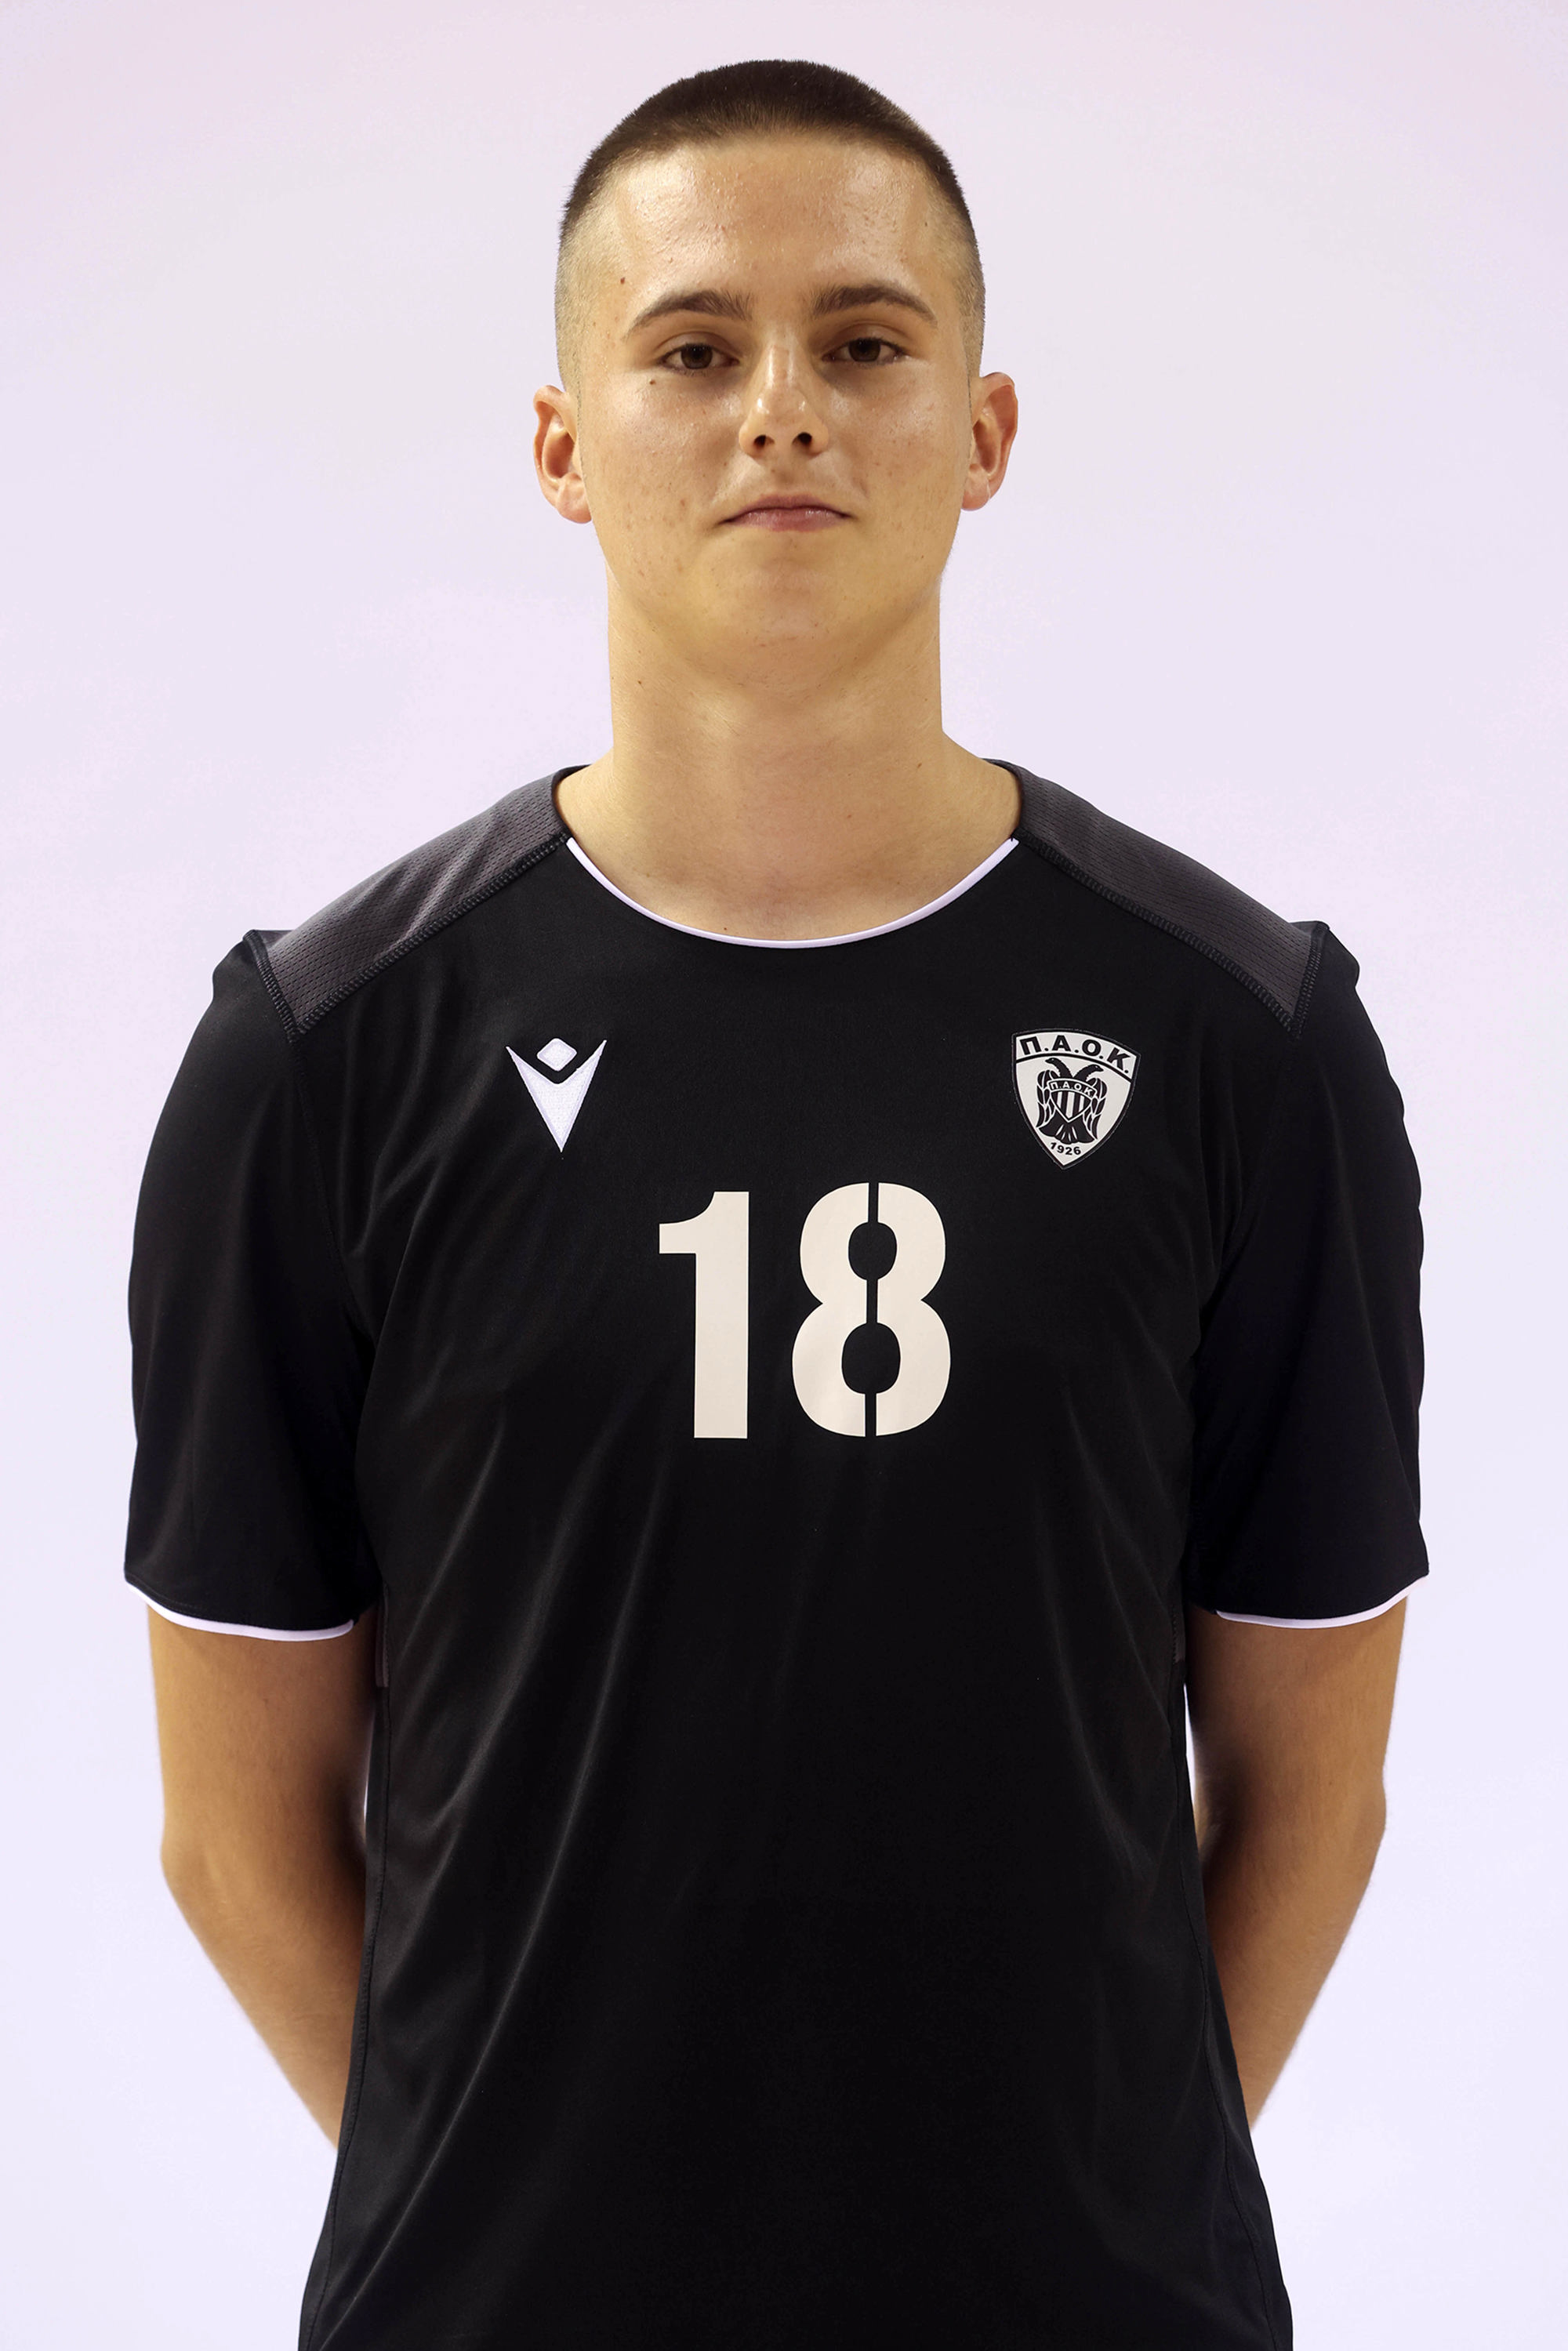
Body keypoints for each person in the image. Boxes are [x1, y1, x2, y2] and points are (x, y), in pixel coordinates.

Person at [126, 58, 1425, 2351]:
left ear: (985, 431)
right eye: (696, 348)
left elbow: (1313, 1786)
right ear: (563, 445)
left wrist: (1092, 2216)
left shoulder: (1246, 1036)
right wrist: (503, 2217)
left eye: (865, 340)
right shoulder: (323, 1054)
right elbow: (237, 1835)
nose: (783, 412)